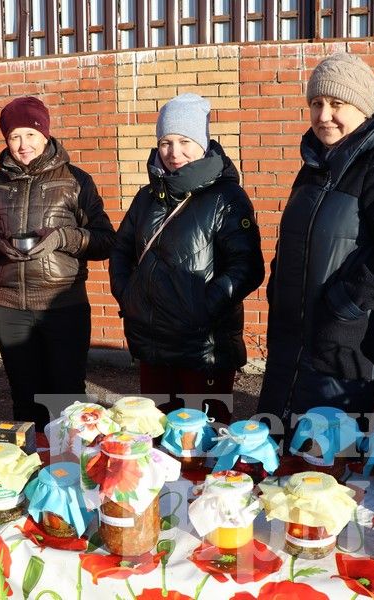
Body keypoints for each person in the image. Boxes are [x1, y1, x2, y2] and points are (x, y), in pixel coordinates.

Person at [256, 53, 374, 430]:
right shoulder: (315, 165)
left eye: (337, 104)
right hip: (289, 342)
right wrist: (278, 291)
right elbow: (295, 243)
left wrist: (345, 303)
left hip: (342, 347)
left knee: (328, 466)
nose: (323, 115)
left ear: (363, 109)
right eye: (316, 103)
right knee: (273, 457)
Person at [109, 93, 264, 425]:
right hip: (152, 343)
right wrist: (128, 295)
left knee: (205, 443)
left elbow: (248, 267)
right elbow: (121, 251)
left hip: (203, 349)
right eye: (165, 142)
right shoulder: (147, 197)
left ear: (203, 142)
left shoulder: (227, 197)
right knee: (155, 433)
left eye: (184, 141)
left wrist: (202, 308)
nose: (173, 152)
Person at [0, 96, 115, 430]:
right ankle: (30, 465)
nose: (23, 144)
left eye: (30, 134)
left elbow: (104, 240)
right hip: (9, 307)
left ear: (44, 135)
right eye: (14, 136)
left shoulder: (76, 180)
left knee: (68, 397)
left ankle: (71, 467)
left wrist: (62, 237)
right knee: (25, 394)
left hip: (63, 305)